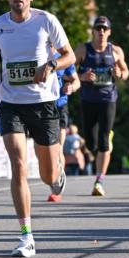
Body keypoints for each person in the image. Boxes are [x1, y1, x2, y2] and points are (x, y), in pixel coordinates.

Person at [0, 0, 75, 258]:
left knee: (48, 176)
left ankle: (57, 170)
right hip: (12, 103)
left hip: (44, 103)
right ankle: (26, 236)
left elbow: (69, 53)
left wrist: (52, 65)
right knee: (18, 163)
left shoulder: (46, 21)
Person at [75, 15, 129, 197]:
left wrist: (119, 73)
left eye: (104, 29)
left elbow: (126, 72)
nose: (101, 32)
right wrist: (82, 77)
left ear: (109, 32)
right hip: (88, 99)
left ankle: (99, 181)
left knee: (104, 141)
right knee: (90, 143)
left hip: (108, 99)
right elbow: (69, 71)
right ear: (93, 31)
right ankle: (99, 145)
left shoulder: (116, 51)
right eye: (98, 28)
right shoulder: (83, 49)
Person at [47, 54, 79, 201]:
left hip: (60, 105)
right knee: (46, 149)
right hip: (41, 107)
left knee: (58, 147)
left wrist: (71, 87)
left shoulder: (63, 56)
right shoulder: (35, 50)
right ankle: (53, 180)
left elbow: (76, 80)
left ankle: (56, 187)